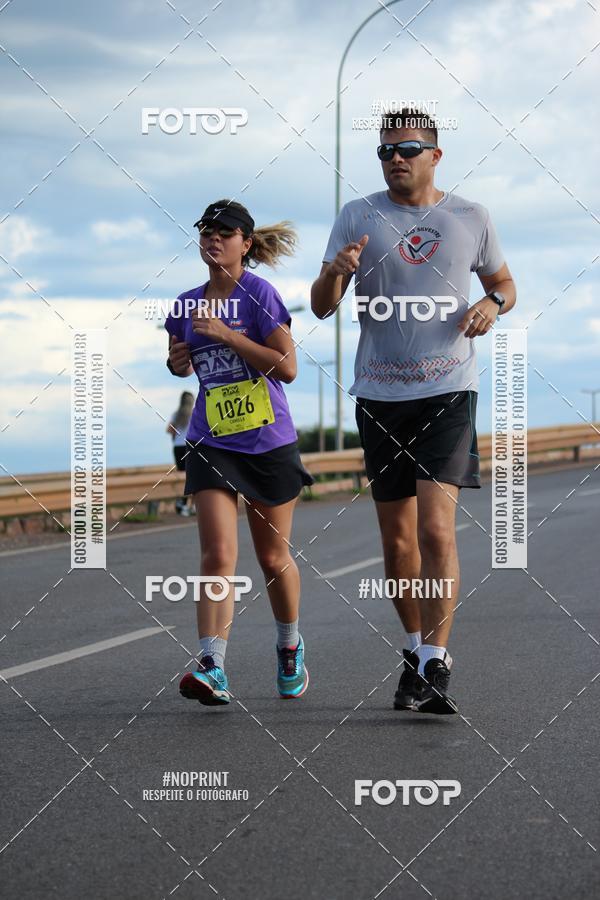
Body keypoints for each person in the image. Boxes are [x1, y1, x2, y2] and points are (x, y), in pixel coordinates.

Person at [311, 108, 516, 714]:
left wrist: (492, 306)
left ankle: (434, 661)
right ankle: (411, 647)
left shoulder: (470, 217)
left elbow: (504, 283)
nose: (394, 159)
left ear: (435, 155)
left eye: (407, 148)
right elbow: (322, 307)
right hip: (378, 394)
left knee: (435, 529)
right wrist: (335, 272)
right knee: (397, 541)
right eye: (384, 151)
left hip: (448, 391)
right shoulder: (358, 215)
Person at [165, 199, 313, 706]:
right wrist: (178, 360)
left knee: (272, 558)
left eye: (224, 232)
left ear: (245, 243)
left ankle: (289, 645)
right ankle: (212, 666)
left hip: (266, 442)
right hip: (211, 442)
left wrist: (228, 335)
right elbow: (179, 363)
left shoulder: (259, 294)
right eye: (206, 231)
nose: (213, 238)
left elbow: (287, 367)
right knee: (217, 555)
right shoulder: (186, 303)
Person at [167, 390, 195, 515]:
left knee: (182, 476)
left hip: (178, 447)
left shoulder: (176, 414)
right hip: (190, 446)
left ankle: (182, 504)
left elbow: (169, 430)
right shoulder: (194, 413)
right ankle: (192, 505)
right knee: (192, 476)